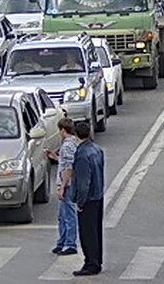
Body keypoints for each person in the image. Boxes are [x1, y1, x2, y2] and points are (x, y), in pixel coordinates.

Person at [71, 120, 104, 276]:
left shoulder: (82, 154)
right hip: (98, 196)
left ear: (76, 135)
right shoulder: (96, 150)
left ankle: (91, 263)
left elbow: (84, 182)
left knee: (87, 233)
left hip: (89, 199)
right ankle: (96, 260)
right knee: (96, 231)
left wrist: (80, 201)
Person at [50, 118, 79, 256]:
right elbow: (65, 161)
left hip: (67, 184)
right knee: (62, 215)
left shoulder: (67, 145)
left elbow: (68, 167)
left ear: (62, 130)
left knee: (68, 215)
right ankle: (62, 242)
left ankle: (70, 243)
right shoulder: (73, 142)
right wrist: (55, 157)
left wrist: (62, 186)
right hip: (67, 183)